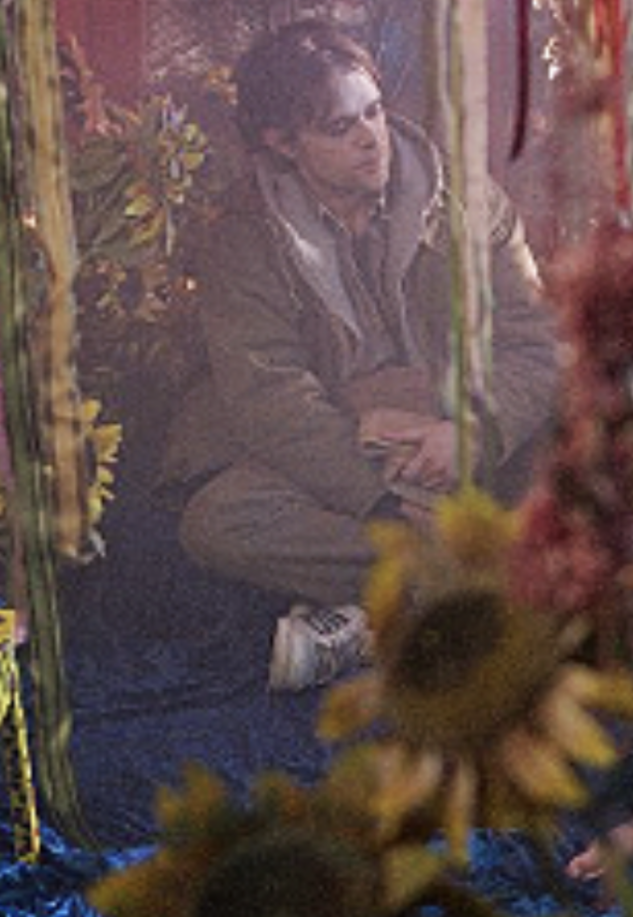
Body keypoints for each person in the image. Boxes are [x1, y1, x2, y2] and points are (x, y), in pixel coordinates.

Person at [159, 19, 560, 690]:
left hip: (456, 432)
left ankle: (375, 620)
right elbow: (271, 400)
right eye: (341, 128)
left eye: (374, 111)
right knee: (217, 521)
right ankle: (489, 589)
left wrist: (471, 433)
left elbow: (533, 345)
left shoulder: (467, 200)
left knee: (603, 426)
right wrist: (382, 504)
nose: (371, 138)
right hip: (349, 454)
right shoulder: (244, 241)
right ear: (282, 143)